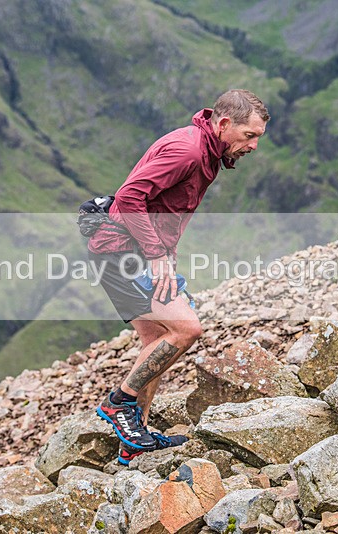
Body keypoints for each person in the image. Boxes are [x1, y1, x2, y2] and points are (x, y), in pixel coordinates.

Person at [88, 89, 270, 465]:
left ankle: (133, 442)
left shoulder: (208, 151)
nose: (253, 146)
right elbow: (129, 198)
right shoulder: (187, 151)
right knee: (187, 329)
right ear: (224, 124)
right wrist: (157, 258)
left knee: (156, 340)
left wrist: (165, 255)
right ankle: (119, 403)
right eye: (249, 135)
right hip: (122, 253)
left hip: (133, 251)